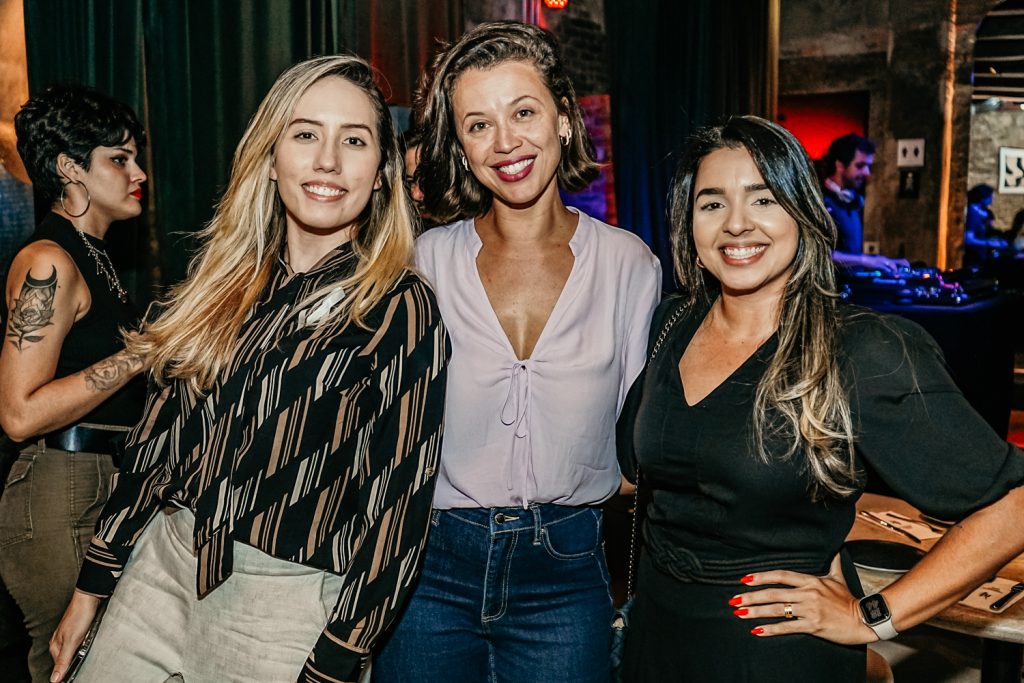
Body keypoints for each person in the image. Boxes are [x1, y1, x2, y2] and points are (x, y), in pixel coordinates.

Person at [48, 54, 449, 683]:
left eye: (355, 140)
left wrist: (341, 656)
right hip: (162, 556)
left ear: (381, 175)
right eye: (305, 134)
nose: (327, 161)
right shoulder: (224, 278)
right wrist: (92, 584)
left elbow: (398, 505)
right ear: (270, 157)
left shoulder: (399, 307)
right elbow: (158, 437)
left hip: (280, 600)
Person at [618, 115, 1024, 682]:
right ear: (689, 225)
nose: (736, 224)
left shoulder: (862, 350)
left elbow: (1012, 507)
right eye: (712, 204)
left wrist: (873, 616)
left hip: (775, 656)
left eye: (762, 199)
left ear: (801, 212)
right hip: (656, 643)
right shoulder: (674, 322)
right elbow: (635, 471)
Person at [374, 21, 661, 683]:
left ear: (563, 119)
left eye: (524, 112)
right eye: (478, 124)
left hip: (565, 572)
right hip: (428, 568)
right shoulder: (421, 264)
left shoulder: (629, 266)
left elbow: (638, 452)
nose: (505, 142)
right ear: (461, 145)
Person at [0, 83, 148, 683]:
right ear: (70, 169)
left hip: (100, 484)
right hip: (62, 491)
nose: (138, 172)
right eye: (119, 158)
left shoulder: (99, 259)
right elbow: (18, 413)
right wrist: (140, 356)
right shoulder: (48, 261)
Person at [822, 133, 907, 274]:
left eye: (868, 166)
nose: (867, 173)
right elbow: (819, 253)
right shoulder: (819, 200)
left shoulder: (853, 201)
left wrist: (882, 261)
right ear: (840, 165)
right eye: (860, 166)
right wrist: (865, 260)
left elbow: (850, 253)